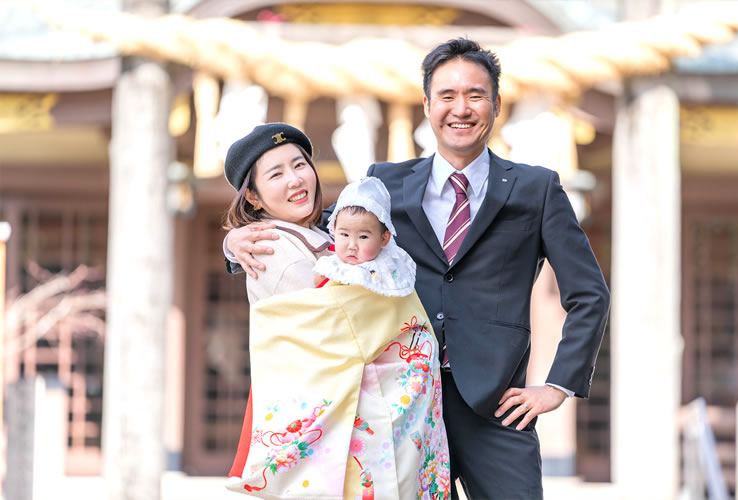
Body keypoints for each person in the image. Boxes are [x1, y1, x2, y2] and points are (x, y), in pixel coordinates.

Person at [226, 39, 610, 500]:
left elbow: (589, 294)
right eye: (447, 95)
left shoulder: (536, 188)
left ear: (496, 104)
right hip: (398, 410)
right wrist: (234, 243)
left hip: (496, 410)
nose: (460, 108)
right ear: (427, 105)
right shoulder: (384, 182)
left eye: (475, 95)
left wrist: (558, 385)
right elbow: (321, 231)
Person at [222, 123, 450, 499]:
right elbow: (336, 334)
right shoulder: (272, 246)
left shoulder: (331, 230)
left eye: (300, 165)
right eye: (276, 174)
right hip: (348, 425)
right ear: (253, 196)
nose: (295, 179)